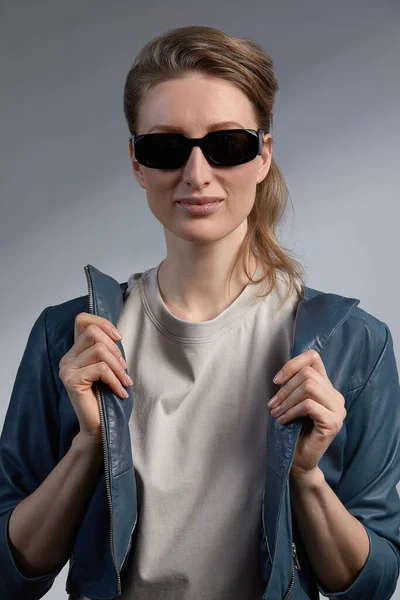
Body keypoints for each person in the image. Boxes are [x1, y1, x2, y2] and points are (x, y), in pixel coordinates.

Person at [0, 24, 399, 600]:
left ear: (263, 155)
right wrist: (87, 446)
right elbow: (11, 573)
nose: (196, 174)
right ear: (137, 164)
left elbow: (371, 584)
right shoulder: (69, 338)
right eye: (165, 148)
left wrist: (307, 478)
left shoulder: (353, 345)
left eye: (227, 144)